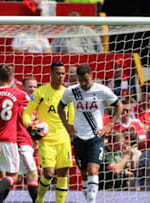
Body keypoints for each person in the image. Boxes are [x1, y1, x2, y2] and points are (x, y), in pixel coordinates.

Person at [58, 64, 123, 203]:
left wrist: (110, 124)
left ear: (91, 76)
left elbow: (119, 105)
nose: (83, 83)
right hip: (78, 136)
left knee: (93, 170)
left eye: (86, 80)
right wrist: (67, 126)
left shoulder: (102, 90)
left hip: (96, 136)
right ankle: (88, 200)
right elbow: (60, 106)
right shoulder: (72, 91)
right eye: (80, 80)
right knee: (84, 174)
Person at [23, 61, 74, 203]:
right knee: (49, 173)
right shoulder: (40, 92)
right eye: (58, 73)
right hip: (46, 139)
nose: (61, 76)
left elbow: (72, 116)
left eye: (63, 73)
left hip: (63, 138)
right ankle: (39, 199)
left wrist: (73, 131)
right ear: (51, 74)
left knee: (63, 173)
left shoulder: (67, 93)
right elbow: (27, 113)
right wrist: (30, 127)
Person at [0, 64, 28, 202]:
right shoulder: (19, 94)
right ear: (11, 78)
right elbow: (32, 103)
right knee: (14, 176)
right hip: (8, 140)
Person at [17, 76, 39, 202]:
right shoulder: (18, 103)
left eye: (35, 87)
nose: (32, 89)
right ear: (23, 87)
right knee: (33, 173)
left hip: (28, 144)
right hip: (19, 142)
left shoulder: (36, 106)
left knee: (15, 178)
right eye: (30, 86)